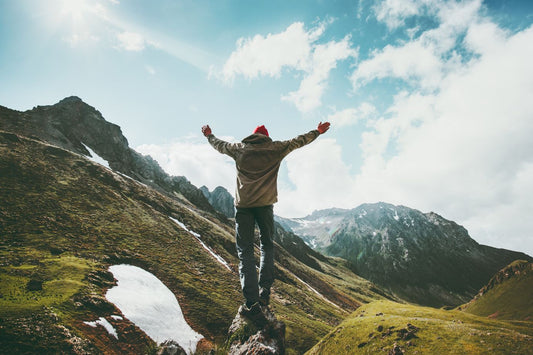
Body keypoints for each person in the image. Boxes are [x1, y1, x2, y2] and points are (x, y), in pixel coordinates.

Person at [201, 122, 331, 325]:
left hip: (243, 207)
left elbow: (219, 145)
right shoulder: (276, 148)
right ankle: (265, 291)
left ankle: (251, 302)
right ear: (266, 137)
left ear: (252, 136)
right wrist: (318, 132)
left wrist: (209, 135)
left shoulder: (240, 149)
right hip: (265, 206)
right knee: (266, 246)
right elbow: (299, 141)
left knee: (245, 252)